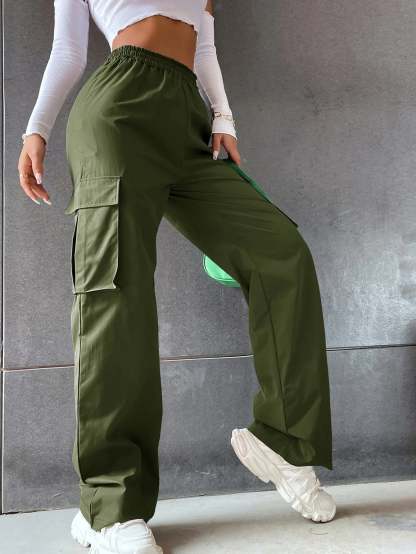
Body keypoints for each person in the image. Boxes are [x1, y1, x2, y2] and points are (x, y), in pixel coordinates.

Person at [18, 1, 336, 553]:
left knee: (281, 255)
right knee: (116, 295)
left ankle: (284, 442)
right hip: (118, 108)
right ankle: (107, 507)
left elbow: (203, 43)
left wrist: (223, 117)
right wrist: (36, 129)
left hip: (186, 115)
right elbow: (67, 50)